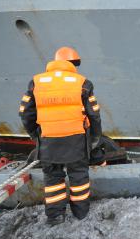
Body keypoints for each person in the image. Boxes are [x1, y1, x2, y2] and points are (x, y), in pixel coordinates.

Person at [19, 47, 102, 226]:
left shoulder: (36, 82)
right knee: (79, 177)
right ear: (72, 64)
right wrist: (95, 138)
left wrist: (36, 135)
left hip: (49, 141)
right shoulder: (83, 83)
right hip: (76, 141)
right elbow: (94, 114)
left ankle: (56, 217)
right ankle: (81, 215)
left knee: (53, 180)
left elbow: (25, 113)